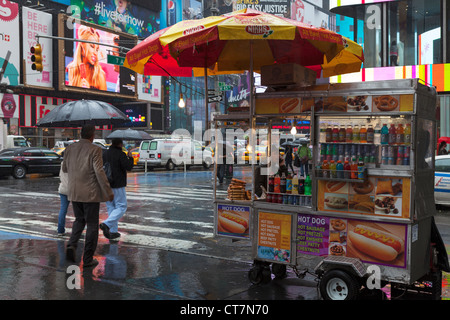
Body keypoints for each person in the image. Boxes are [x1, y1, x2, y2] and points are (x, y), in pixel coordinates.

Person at [63, 124, 114, 268]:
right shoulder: (95, 150)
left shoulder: (69, 149)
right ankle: (88, 258)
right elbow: (99, 171)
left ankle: (72, 245)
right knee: (92, 224)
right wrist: (108, 191)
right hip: (90, 193)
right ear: (92, 135)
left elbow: (64, 168)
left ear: (80, 134)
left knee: (79, 220)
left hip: (74, 192)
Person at [100, 138, 134, 240]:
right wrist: (130, 158)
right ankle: (106, 224)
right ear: (119, 144)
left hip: (106, 184)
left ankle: (113, 231)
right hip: (118, 184)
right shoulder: (121, 154)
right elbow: (128, 167)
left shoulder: (105, 153)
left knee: (111, 207)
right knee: (121, 206)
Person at [67, 25, 107, 90]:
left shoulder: (100, 75)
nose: (95, 53)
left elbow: (105, 99)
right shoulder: (72, 69)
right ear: (82, 45)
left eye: (97, 49)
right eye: (92, 46)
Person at [57, 161, 69, 236]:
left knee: (63, 210)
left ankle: (60, 230)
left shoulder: (63, 163)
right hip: (74, 190)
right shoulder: (76, 162)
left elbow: (60, 175)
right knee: (79, 212)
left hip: (63, 188)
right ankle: (78, 230)